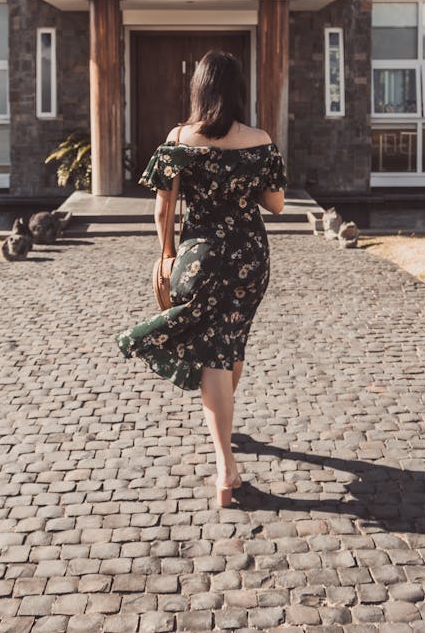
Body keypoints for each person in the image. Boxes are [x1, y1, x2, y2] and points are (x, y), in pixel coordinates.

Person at [114, 49, 286, 508]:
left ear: (200, 89)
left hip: (200, 258)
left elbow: (162, 207)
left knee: (216, 350)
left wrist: (167, 254)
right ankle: (225, 445)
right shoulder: (260, 139)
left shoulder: (178, 138)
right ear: (238, 90)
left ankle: (225, 462)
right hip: (249, 258)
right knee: (232, 344)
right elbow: (276, 205)